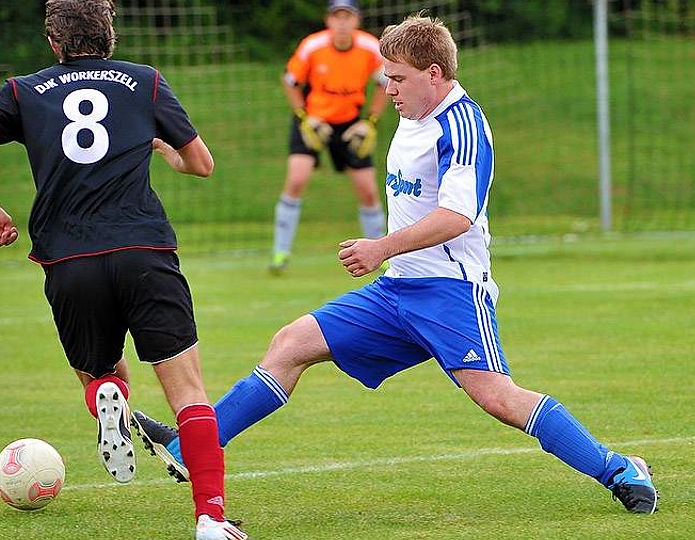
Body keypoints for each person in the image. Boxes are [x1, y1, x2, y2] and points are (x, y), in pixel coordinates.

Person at [134, 14, 660, 516]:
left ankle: (619, 468)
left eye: (398, 78)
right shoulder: (413, 115)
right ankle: (190, 448)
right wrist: (389, 259)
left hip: (450, 291)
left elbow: (457, 216)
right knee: (290, 344)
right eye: (386, 76)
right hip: (396, 291)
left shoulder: (462, 125)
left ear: (434, 73)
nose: (387, 89)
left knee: (498, 398)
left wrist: (381, 247)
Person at [0, 1, 247, 538]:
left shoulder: (26, 90)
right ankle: (211, 519)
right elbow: (202, 164)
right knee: (189, 393)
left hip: (68, 258)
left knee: (101, 374)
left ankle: (112, 398)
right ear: (110, 36)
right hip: (144, 250)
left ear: (54, 43)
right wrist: (165, 151)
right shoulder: (144, 82)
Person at [270, 0, 389, 274]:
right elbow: (290, 81)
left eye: (348, 16)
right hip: (314, 121)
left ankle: (383, 255)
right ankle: (279, 254)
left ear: (357, 20)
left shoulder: (370, 47)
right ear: (328, 20)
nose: (342, 23)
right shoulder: (313, 46)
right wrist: (304, 117)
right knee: (296, 180)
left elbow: (386, 81)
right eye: (337, 16)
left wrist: (370, 122)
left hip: (350, 124)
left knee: (368, 190)